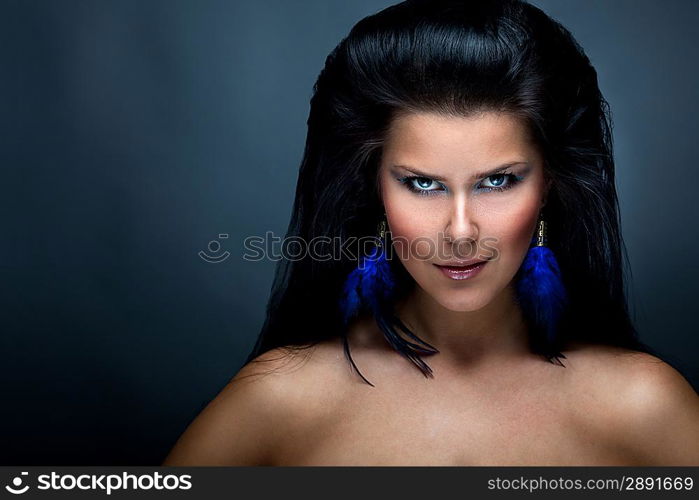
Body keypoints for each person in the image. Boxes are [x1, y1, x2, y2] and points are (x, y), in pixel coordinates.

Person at [162, 0, 699, 465]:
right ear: (374, 187)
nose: (460, 232)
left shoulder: (643, 407)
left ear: (550, 185)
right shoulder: (281, 400)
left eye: (497, 181)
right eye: (422, 183)